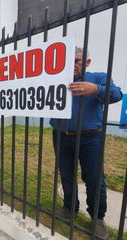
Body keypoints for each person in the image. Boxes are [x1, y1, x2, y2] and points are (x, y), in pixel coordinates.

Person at [50, 47, 123, 239]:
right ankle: (69, 208)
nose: (72, 65)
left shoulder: (98, 77)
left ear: (87, 62)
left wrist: (96, 89)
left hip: (91, 137)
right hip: (61, 135)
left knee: (94, 178)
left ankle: (97, 218)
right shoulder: (56, 78)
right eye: (68, 61)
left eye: (76, 60)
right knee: (67, 174)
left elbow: (116, 95)